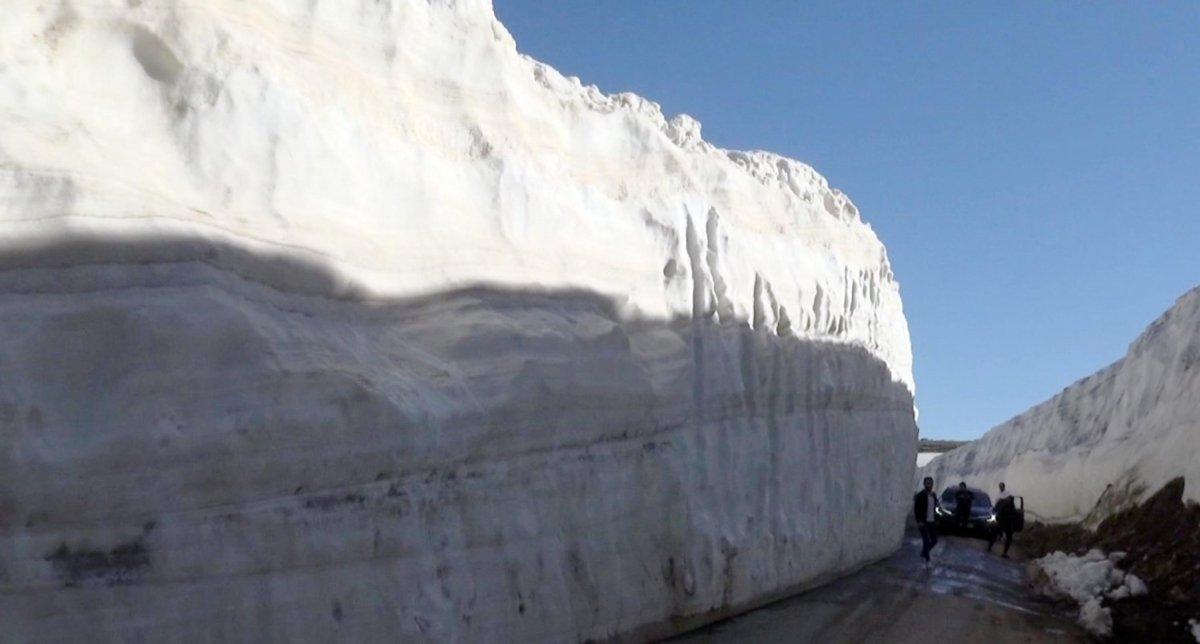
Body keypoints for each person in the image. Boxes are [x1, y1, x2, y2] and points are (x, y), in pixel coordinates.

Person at [913, 477, 940, 564]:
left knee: (934, 540)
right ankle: (927, 560)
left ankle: (924, 553)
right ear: (924, 484)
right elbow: (916, 509)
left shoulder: (933, 495)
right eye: (927, 483)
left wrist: (936, 519)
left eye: (931, 483)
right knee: (926, 541)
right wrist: (919, 521)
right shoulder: (920, 495)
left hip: (931, 521)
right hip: (923, 522)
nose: (929, 485)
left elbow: (936, 507)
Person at [988, 482, 1017, 557]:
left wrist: (993, 519)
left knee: (995, 534)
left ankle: (990, 547)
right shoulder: (1009, 503)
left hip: (1001, 521)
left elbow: (995, 510)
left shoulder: (1001, 501)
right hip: (1006, 522)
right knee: (1008, 538)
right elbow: (1013, 513)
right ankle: (1004, 553)